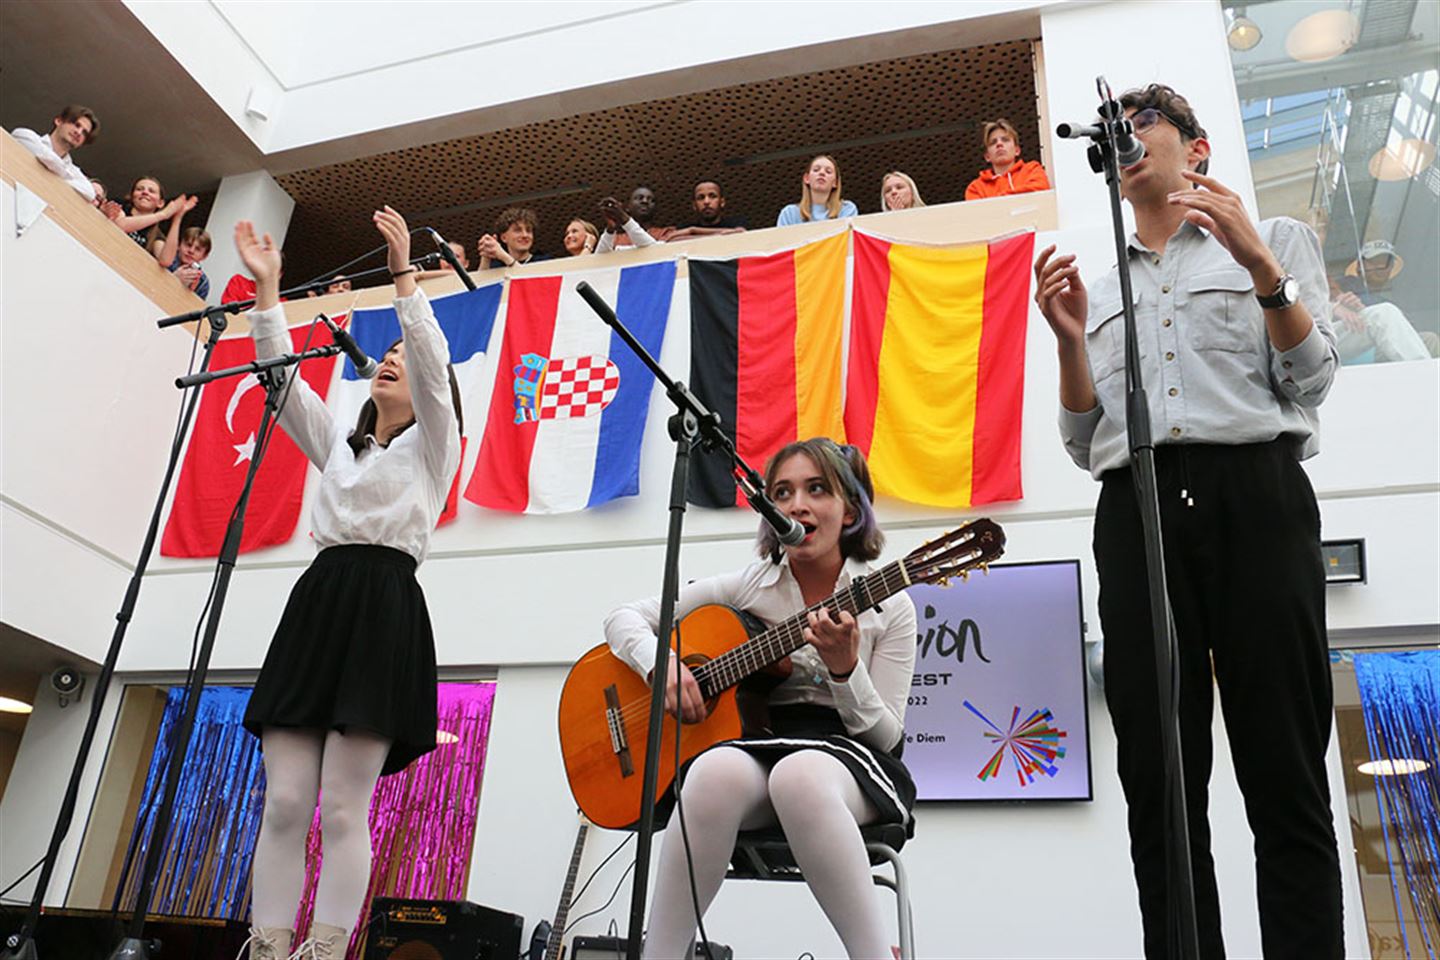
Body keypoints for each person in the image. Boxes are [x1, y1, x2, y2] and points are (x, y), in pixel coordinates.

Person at [1033, 84, 1343, 959]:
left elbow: (1311, 382)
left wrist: (1260, 268)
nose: (1125, 141)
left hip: (1256, 493)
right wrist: (1065, 340)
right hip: (1135, 511)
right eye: (1115, 133)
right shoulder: (1099, 288)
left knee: (1284, 767)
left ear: (1195, 149)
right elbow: (1081, 437)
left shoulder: (1271, 239)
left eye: (1144, 127)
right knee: (1159, 783)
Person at [231, 206, 463, 960]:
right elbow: (278, 380)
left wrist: (404, 277)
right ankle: (268, 943)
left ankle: (326, 948)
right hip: (321, 600)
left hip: (385, 607)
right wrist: (269, 294)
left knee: (340, 808)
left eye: (402, 353)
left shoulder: (435, 446)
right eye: (384, 353)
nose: (392, 358)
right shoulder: (339, 442)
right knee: (286, 802)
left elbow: (431, 361)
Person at [604, 438, 916, 960]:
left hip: (853, 760)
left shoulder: (891, 607)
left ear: (851, 509)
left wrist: (845, 670)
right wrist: (663, 666)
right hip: (762, 745)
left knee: (801, 775)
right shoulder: (750, 587)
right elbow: (624, 618)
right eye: (782, 493)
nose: (797, 504)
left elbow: (888, 738)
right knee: (709, 773)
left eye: (817, 489)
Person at [10, 105, 99, 201]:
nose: (79, 132)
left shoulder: (74, 171)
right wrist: (65, 177)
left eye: (84, 133)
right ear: (59, 121)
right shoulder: (28, 136)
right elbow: (46, 157)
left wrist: (58, 171)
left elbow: (89, 192)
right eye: (77, 125)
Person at [965, 119, 1050, 201]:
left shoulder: (1032, 169)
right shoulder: (975, 188)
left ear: (1017, 150)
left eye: (1005, 140)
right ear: (987, 156)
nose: (999, 144)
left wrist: (994, 201)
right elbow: (978, 213)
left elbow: (1040, 192)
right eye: (993, 142)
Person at [115, 176, 191, 258]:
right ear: (132, 196)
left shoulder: (156, 234)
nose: (145, 192)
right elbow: (120, 225)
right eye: (139, 189)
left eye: (151, 191)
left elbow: (165, 260)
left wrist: (177, 218)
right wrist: (163, 214)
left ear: (160, 203)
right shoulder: (119, 206)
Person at [776, 155, 858, 226]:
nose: (822, 173)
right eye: (816, 170)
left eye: (828, 171)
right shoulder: (790, 214)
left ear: (835, 183)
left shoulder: (847, 210)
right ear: (806, 178)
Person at [669, 180, 748, 239]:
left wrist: (693, 231)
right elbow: (672, 240)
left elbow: (740, 233)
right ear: (694, 205)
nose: (706, 202)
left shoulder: (735, 222)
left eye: (712, 196)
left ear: (722, 202)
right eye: (701, 198)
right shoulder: (684, 227)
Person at [477, 207, 550, 269]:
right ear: (504, 238)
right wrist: (486, 256)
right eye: (518, 230)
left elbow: (527, 282)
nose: (525, 235)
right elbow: (480, 284)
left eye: (528, 230)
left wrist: (504, 256)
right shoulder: (497, 266)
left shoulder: (544, 261)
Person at [170, 226, 212, 300]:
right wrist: (174, 278)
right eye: (188, 245)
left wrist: (189, 292)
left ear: (204, 256)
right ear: (179, 245)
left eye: (197, 249)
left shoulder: (203, 282)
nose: (191, 251)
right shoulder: (167, 260)